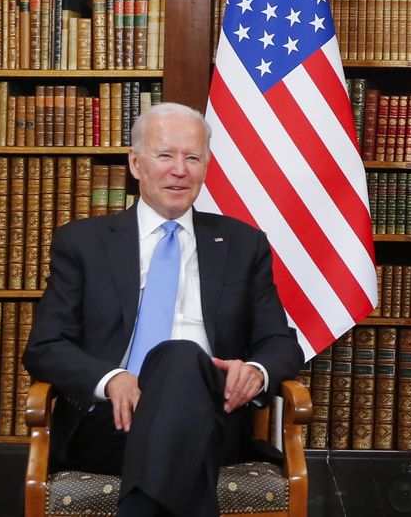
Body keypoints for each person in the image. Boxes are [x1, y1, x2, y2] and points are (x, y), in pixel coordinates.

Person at [22, 103, 304, 517]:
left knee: (181, 357)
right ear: (136, 164)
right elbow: (44, 346)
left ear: (205, 167)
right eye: (165, 155)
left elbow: (280, 343)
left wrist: (256, 373)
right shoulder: (83, 243)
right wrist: (111, 379)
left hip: (214, 417)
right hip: (111, 421)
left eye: (193, 157)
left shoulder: (243, 244)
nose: (180, 170)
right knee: (179, 358)